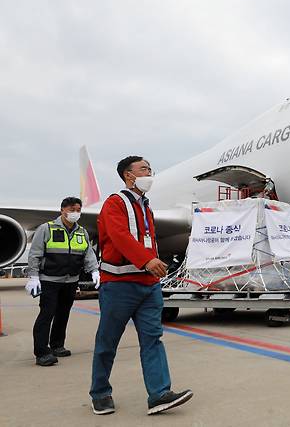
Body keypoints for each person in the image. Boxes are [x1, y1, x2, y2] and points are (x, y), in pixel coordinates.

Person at [89, 156, 193, 416]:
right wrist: (147, 260)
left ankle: (159, 394)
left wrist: (153, 268)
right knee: (107, 341)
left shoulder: (146, 207)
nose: (150, 173)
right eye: (144, 169)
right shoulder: (114, 203)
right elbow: (119, 236)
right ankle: (100, 393)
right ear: (128, 175)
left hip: (149, 286)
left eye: (150, 168)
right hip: (120, 286)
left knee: (153, 340)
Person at [25, 196, 100, 366]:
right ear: (62, 210)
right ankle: (42, 352)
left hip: (71, 280)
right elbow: (35, 254)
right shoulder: (47, 228)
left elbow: (88, 253)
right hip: (49, 280)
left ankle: (57, 345)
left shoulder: (82, 232)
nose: (75, 213)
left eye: (78, 210)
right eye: (72, 209)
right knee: (47, 314)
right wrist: (33, 276)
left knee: (63, 314)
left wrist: (94, 270)